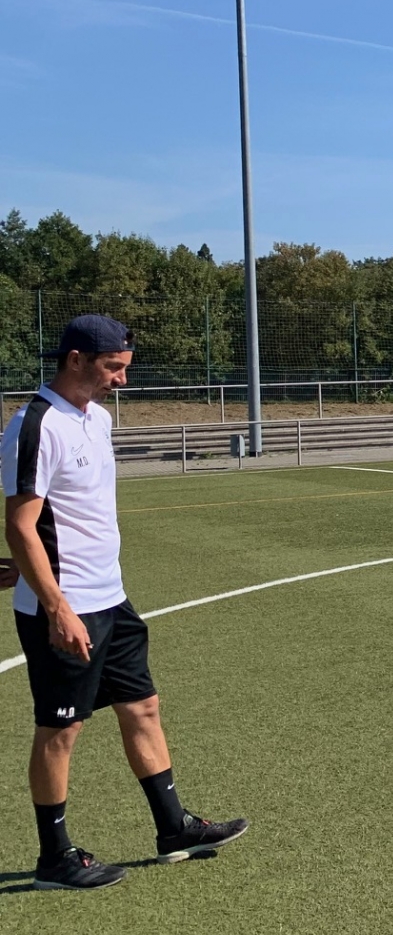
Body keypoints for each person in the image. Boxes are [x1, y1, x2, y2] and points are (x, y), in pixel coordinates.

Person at [2, 314, 246, 891]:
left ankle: (173, 828)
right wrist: (57, 606)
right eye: (113, 367)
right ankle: (54, 859)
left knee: (143, 708)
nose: (122, 380)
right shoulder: (34, 424)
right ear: (76, 360)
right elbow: (21, 524)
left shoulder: (98, 417)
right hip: (66, 610)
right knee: (61, 730)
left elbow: (70, 515)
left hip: (112, 598)